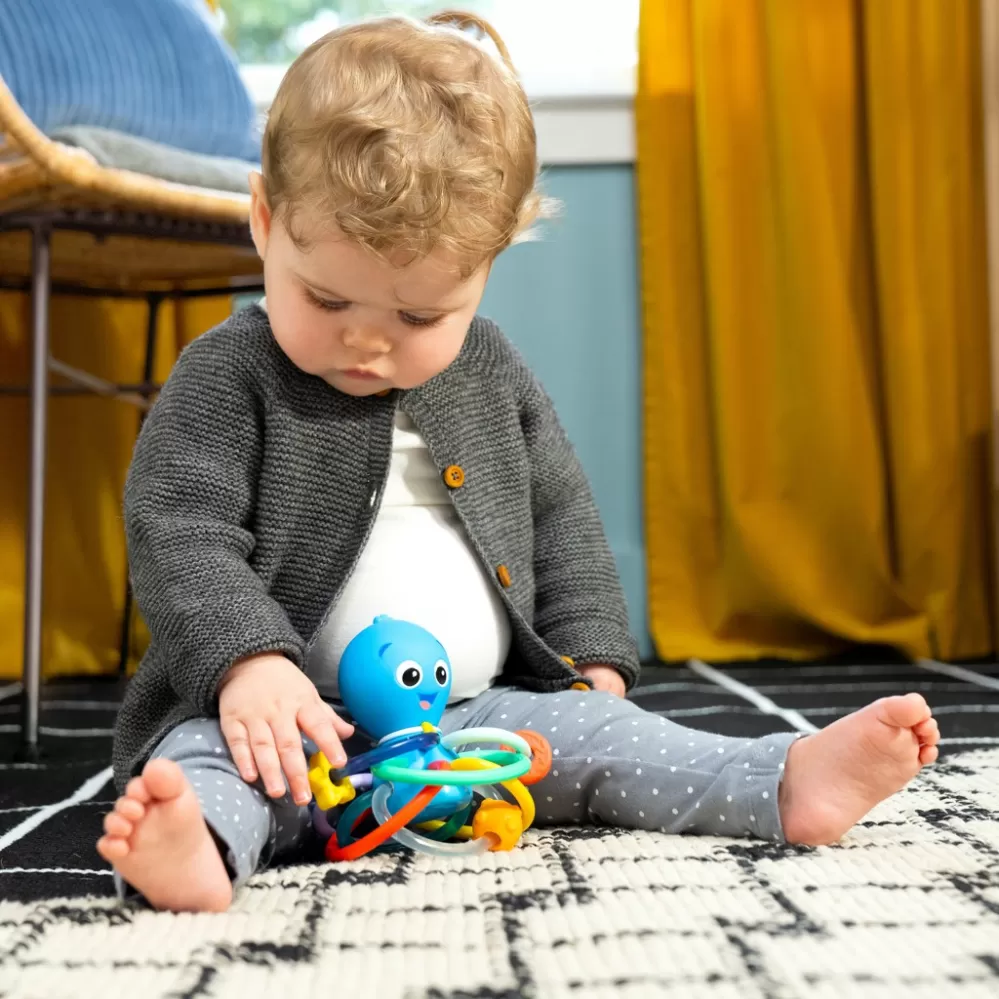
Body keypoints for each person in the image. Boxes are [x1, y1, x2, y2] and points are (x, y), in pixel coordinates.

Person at [97, 11, 940, 913]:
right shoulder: (229, 373)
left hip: (480, 722)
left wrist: (591, 657)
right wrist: (248, 663)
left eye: (418, 317)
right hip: (296, 723)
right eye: (328, 299)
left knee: (613, 738)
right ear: (266, 222)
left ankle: (780, 782)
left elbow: (560, 515)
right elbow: (178, 527)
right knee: (214, 759)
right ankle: (199, 843)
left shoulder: (491, 370)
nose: (368, 342)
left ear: (485, 270)